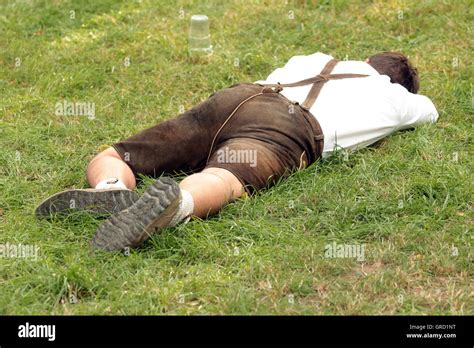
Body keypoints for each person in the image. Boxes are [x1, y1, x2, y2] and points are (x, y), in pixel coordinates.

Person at [35, 51, 439, 252]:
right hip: (287, 129)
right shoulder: (395, 98)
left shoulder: (315, 58)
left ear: (366, 59)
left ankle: (108, 188)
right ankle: (177, 205)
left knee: (121, 153)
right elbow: (430, 113)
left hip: (243, 97)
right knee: (224, 177)